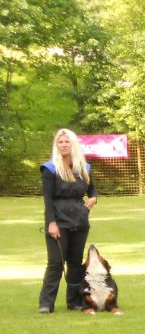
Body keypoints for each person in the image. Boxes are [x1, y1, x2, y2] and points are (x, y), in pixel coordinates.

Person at [38, 128, 97, 314]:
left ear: (73, 144)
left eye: (67, 142)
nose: (63, 145)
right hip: (59, 220)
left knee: (75, 262)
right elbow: (47, 199)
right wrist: (51, 223)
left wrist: (93, 199)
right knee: (56, 263)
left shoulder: (84, 168)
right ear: (57, 145)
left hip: (80, 220)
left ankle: (74, 301)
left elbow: (92, 190)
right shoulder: (50, 168)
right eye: (60, 142)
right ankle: (46, 303)